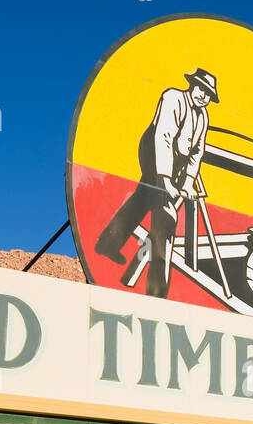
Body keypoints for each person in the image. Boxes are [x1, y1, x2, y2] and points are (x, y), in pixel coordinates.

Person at [94, 68, 219, 298]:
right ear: (193, 85)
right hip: (153, 152)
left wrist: (189, 181)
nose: (203, 95)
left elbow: (197, 152)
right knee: (167, 215)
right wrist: (165, 179)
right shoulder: (173, 98)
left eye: (208, 93)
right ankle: (157, 287)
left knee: (142, 198)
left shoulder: (203, 117)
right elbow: (163, 137)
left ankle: (108, 243)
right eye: (201, 88)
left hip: (176, 163)